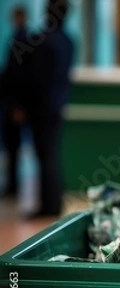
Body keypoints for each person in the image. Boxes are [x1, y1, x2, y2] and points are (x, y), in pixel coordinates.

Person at [25, 0, 75, 218]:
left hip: (41, 107)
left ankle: (48, 206)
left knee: (45, 156)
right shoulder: (69, 40)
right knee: (51, 155)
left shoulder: (43, 40)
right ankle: (53, 204)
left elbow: (36, 78)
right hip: (57, 104)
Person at [0, 6, 29, 197]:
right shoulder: (17, 39)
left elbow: (20, 77)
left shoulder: (24, 41)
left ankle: (13, 185)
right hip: (10, 101)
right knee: (11, 146)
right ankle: (11, 184)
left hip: (14, 103)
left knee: (14, 145)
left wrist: (18, 105)